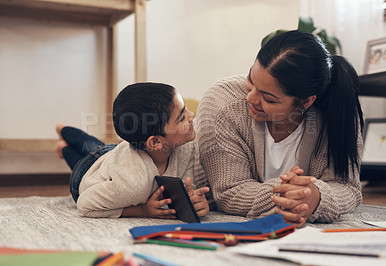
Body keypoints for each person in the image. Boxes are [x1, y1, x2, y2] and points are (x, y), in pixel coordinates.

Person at [195, 30, 364, 228]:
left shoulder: (337, 111)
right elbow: (229, 191)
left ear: (306, 102)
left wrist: (317, 197)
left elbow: (347, 187)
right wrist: (292, 196)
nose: (251, 98)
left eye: (269, 98)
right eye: (251, 79)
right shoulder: (222, 103)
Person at [56, 82, 209, 218]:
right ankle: (62, 135)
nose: (191, 115)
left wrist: (195, 200)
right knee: (80, 153)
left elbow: (188, 183)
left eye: (186, 109)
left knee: (95, 146)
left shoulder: (183, 146)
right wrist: (143, 211)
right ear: (155, 142)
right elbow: (85, 204)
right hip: (87, 172)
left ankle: (63, 138)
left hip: (114, 152)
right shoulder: (134, 185)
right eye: (181, 117)